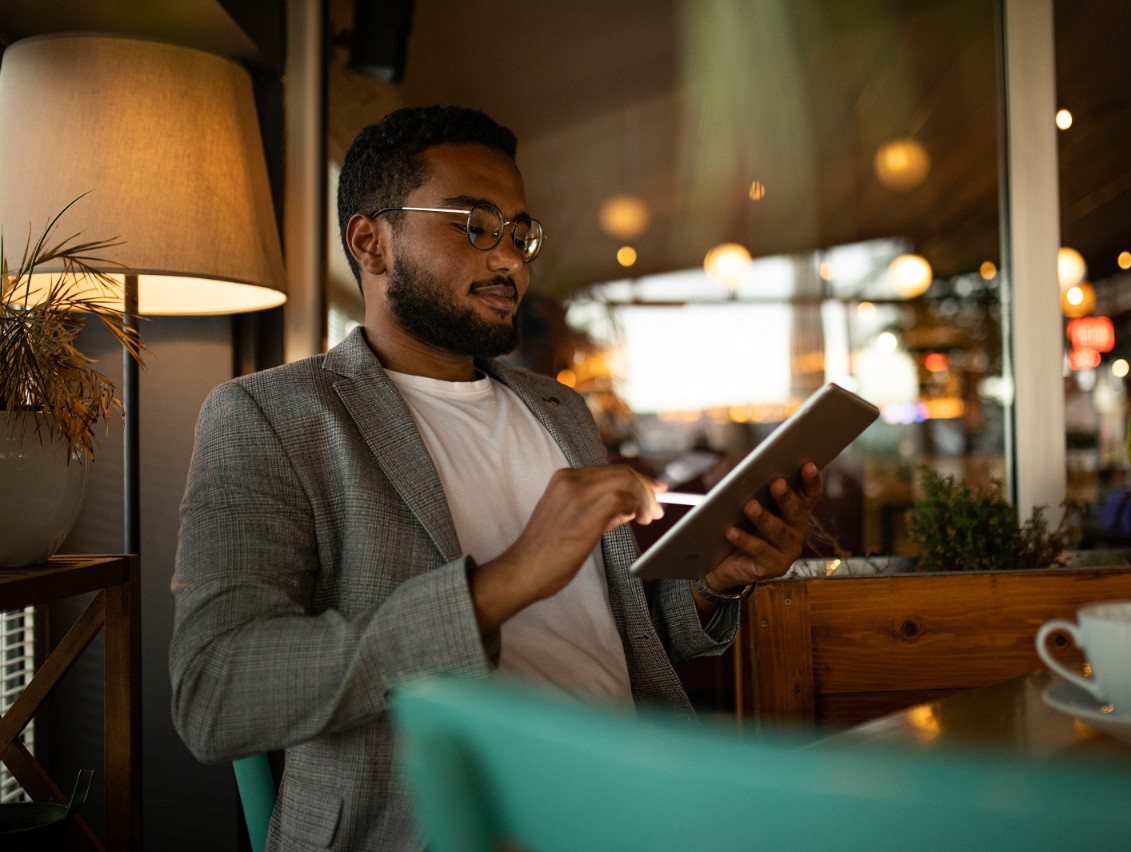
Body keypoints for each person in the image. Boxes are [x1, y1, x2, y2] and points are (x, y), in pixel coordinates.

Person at [169, 105, 822, 850]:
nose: (512, 259)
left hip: (637, 805)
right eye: (474, 226)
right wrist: (500, 585)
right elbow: (216, 694)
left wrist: (715, 580)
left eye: (520, 232)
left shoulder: (560, 409)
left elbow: (629, 633)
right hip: (437, 827)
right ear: (371, 241)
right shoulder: (272, 417)